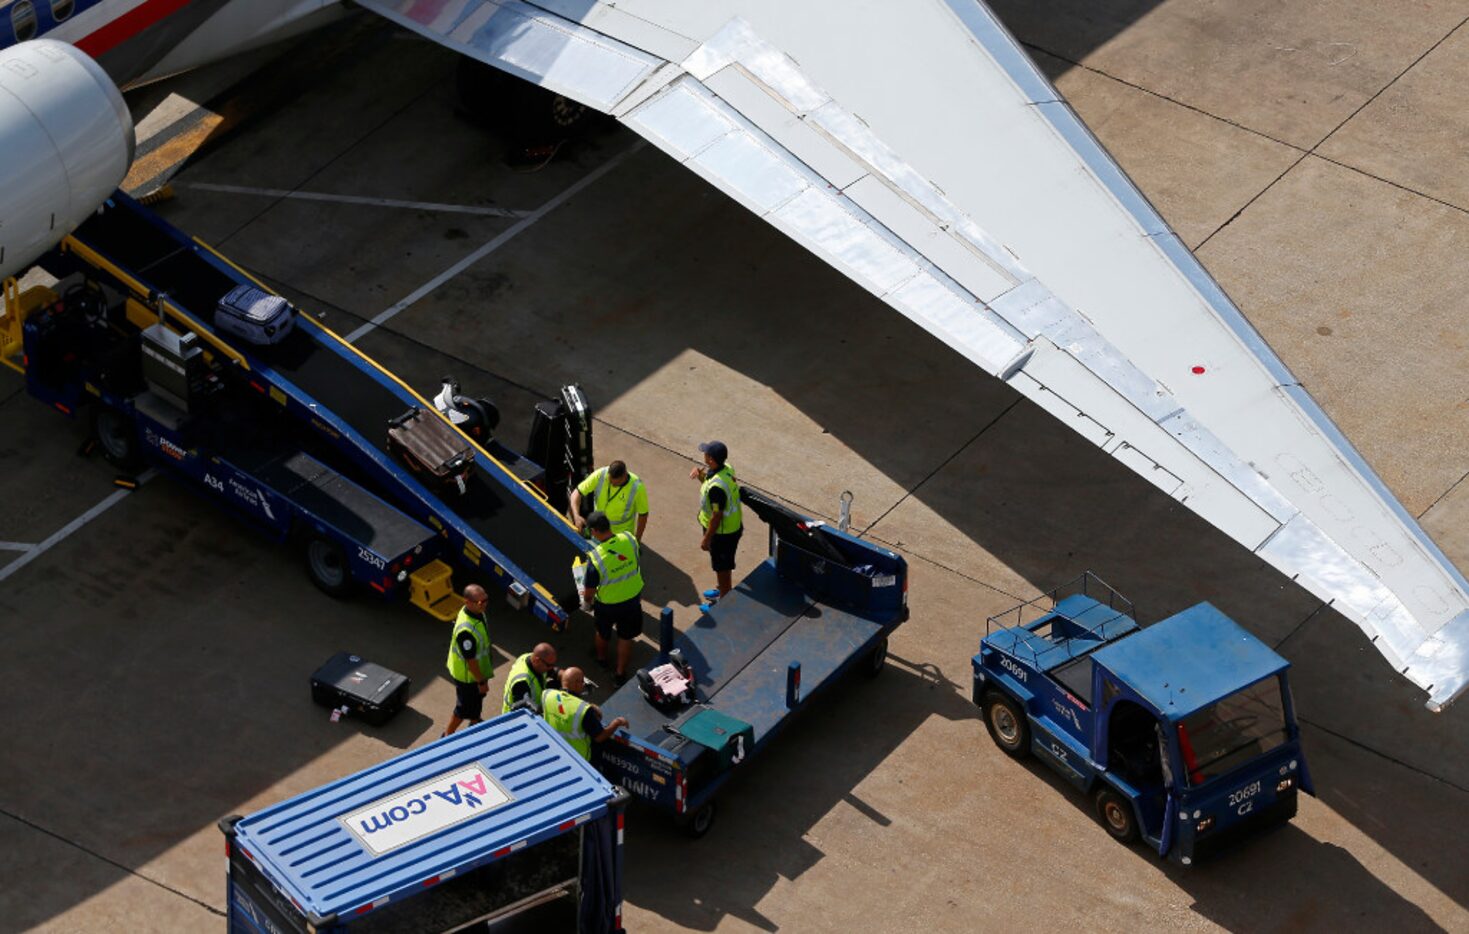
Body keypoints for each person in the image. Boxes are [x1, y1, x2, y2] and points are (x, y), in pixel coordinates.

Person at [578, 511, 644, 687]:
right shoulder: (629, 539)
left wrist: (586, 603)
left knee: (602, 632)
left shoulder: (597, 557)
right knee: (625, 637)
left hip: (608, 605)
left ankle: (601, 659)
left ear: (593, 531)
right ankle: (620, 673)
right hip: (632, 599)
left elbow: (590, 590)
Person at [689, 440, 742, 602]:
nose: (703, 455)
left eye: (706, 453)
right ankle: (722, 589)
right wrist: (701, 476)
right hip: (731, 528)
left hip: (722, 534)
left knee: (722, 569)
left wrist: (707, 538)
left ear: (711, 459)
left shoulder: (716, 488)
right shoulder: (726, 468)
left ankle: (724, 601)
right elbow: (713, 481)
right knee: (722, 567)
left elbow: (717, 516)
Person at [441, 584, 495, 737]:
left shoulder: (477, 612)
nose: (484, 604)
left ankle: (475, 721)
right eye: (480, 602)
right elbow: (470, 661)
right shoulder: (466, 630)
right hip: (467, 676)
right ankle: (447, 736)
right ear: (467, 602)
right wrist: (481, 682)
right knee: (463, 708)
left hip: (476, 673)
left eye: (485, 600)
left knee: (476, 701)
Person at [541, 667, 629, 760]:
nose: (583, 685)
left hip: (554, 748)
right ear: (576, 683)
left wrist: (589, 705)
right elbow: (600, 737)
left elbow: (563, 706)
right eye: (582, 682)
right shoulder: (583, 710)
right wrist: (617, 722)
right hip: (578, 758)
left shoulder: (547, 695)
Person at [570, 460, 649, 540]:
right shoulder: (601, 475)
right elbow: (576, 494)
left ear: (624, 476)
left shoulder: (637, 488)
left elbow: (643, 515)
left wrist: (637, 539)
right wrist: (576, 516)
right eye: (610, 481)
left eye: (615, 484)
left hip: (621, 535)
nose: (612, 485)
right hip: (599, 531)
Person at [502, 642, 559, 715]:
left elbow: (553, 671)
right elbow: (523, 705)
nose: (551, 668)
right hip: (513, 718)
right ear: (537, 660)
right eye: (549, 665)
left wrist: (566, 676)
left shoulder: (529, 657)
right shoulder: (522, 682)